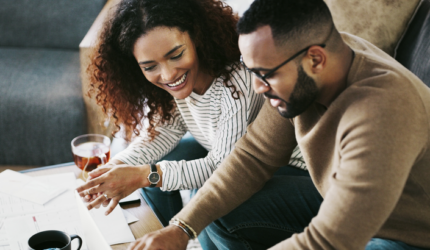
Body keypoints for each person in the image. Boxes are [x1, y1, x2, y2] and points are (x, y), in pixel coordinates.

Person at [126, 0, 430, 249]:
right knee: (219, 211)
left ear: (315, 60)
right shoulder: (315, 65)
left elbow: (331, 240)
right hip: (343, 202)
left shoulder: (381, 111)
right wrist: (181, 228)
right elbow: (253, 156)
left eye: (265, 74)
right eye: (251, 70)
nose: (257, 87)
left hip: (405, 235)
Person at [76, 0, 306, 247]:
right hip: (233, 162)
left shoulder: (236, 85)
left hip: (292, 172)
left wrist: (146, 176)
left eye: (176, 55)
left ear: (197, 36)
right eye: (150, 66)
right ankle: (159, 239)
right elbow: (160, 134)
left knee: (213, 204)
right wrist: (112, 170)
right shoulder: (176, 87)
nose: (168, 75)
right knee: (165, 158)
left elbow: (225, 169)